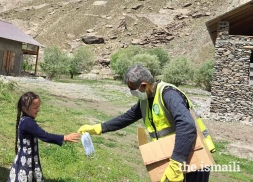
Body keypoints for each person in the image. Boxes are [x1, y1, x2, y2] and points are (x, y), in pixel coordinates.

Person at [78, 64, 215, 182]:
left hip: (192, 154)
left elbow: (187, 125)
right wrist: (98, 128)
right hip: (172, 155)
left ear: (143, 85)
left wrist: (176, 163)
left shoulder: (168, 94)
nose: (132, 92)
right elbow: (127, 117)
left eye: (133, 89)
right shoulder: (146, 99)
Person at [7, 91, 81, 182]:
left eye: (38, 107)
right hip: (25, 161)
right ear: (24, 109)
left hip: (29, 159)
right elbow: (45, 136)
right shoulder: (27, 122)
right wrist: (65, 137)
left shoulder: (26, 120)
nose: (38, 110)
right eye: (35, 107)